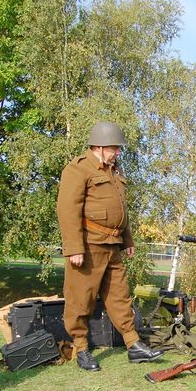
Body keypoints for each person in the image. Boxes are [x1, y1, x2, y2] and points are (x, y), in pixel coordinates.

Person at [57, 121, 162, 372]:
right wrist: (74, 248)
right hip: (89, 245)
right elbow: (67, 210)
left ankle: (133, 344)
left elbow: (120, 210)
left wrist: (127, 241)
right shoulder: (78, 169)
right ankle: (81, 348)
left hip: (112, 245)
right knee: (80, 299)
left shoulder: (114, 172)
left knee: (120, 297)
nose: (118, 152)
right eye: (115, 148)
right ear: (100, 146)